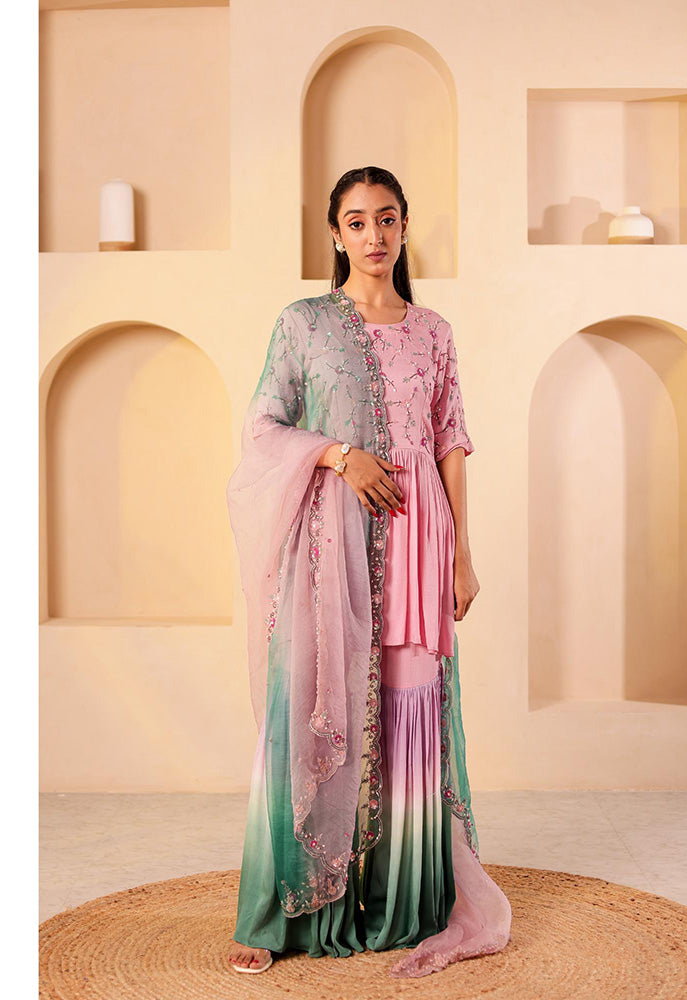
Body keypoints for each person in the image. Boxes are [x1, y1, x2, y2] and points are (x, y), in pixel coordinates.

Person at [225, 166, 511, 978]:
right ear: (336, 234)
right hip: (332, 544)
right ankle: (286, 911)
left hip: (419, 537)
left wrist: (461, 554)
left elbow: (450, 441)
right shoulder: (305, 323)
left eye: (387, 219)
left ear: (405, 227)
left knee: (409, 708)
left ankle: (404, 902)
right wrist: (340, 455)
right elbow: (264, 427)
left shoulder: (434, 331)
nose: (374, 234)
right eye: (357, 221)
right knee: (318, 704)